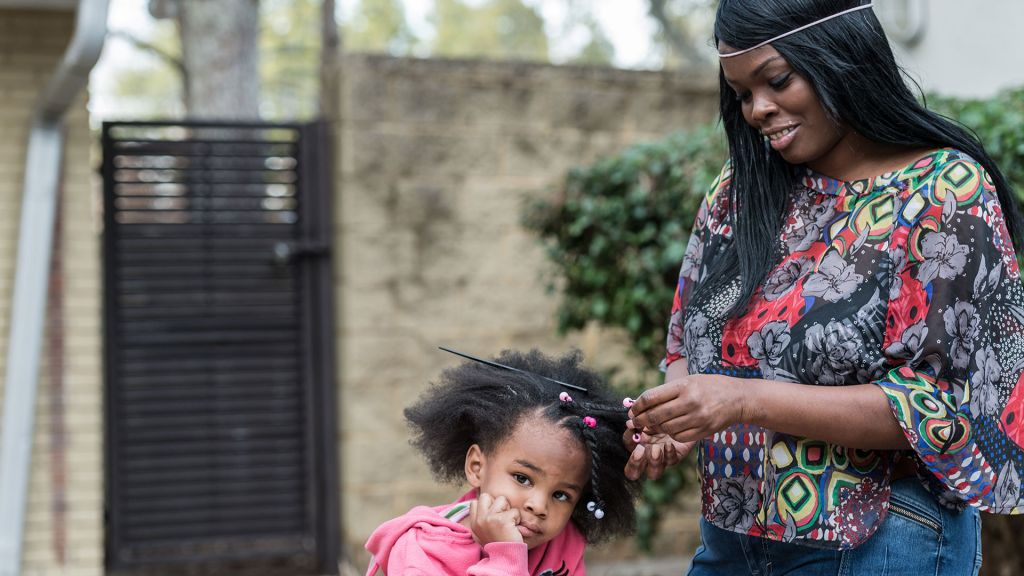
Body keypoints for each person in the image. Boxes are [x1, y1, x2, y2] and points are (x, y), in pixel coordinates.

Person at [623, 1, 1024, 574]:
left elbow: (943, 407)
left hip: (882, 538)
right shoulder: (741, 189)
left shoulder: (943, 191)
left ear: (839, 56)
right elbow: (689, 344)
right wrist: (678, 423)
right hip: (732, 538)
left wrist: (739, 400)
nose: (759, 109)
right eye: (741, 93)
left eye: (777, 80)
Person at [365, 349, 639, 576]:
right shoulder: (421, 548)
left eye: (561, 495)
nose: (539, 505)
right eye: (523, 478)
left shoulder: (562, 544)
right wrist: (505, 555)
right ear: (476, 466)